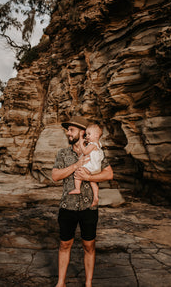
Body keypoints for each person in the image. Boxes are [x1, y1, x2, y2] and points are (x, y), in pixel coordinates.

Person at [52, 116, 113, 287]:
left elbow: (109, 174)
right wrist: (75, 165)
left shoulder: (96, 151)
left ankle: (88, 284)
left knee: (89, 246)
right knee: (64, 244)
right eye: (68, 130)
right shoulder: (63, 153)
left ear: (82, 132)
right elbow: (55, 176)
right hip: (67, 206)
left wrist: (89, 176)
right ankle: (61, 283)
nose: (67, 132)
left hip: (89, 208)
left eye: (71, 129)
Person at [69, 123, 104, 207]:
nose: (87, 136)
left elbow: (85, 152)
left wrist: (81, 141)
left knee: (78, 171)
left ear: (96, 135)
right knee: (93, 182)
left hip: (91, 167)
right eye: (86, 134)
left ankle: (77, 189)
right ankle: (95, 197)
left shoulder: (92, 145)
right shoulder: (99, 144)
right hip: (97, 168)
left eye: (89, 134)